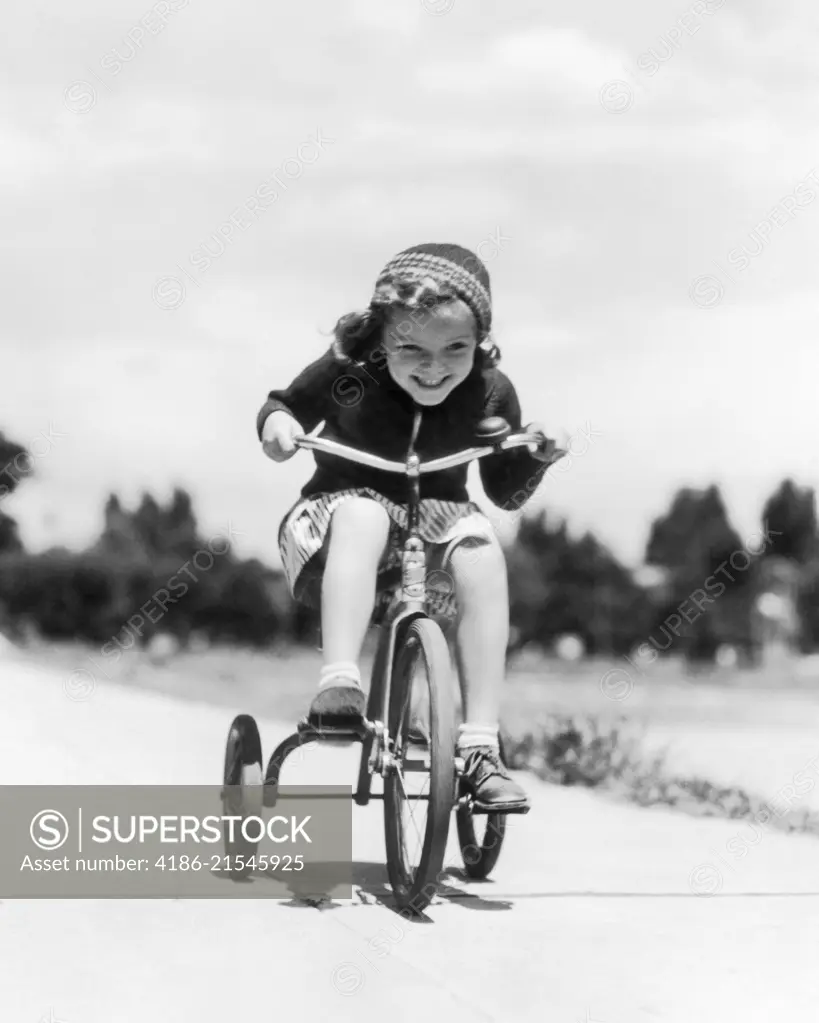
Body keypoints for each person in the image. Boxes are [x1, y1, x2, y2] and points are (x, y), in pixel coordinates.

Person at [256, 242, 563, 812]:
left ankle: (479, 747)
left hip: (435, 523)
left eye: (455, 348)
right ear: (380, 335)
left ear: (481, 341)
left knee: (481, 548)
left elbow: (503, 491)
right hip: (336, 514)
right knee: (366, 514)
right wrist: (278, 427)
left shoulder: (489, 392)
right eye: (411, 348)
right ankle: (340, 682)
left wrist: (535, 457)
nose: (433, 366)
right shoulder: (350, 373)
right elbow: (286, 404)